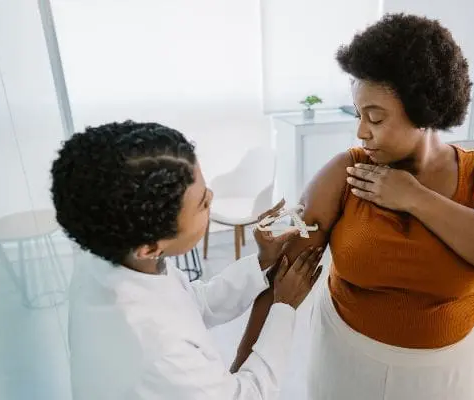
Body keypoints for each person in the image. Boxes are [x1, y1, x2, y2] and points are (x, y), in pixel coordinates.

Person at [232, 13, 474, 399]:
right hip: (345, 363)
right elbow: (280, 281)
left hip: (449, 375)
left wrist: (415, 198)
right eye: (359, 115)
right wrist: (237, 378)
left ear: (424, 111)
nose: (361, 132)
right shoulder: (346, 173)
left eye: (375, 118)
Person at [50, 121, 323, 400]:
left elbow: (191, 302)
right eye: (203, 203)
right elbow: (247, 395)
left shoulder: (108, 255)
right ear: (150, 247)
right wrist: (284, 307)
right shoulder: (160, 353)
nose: (212, 198)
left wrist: (261, 262)